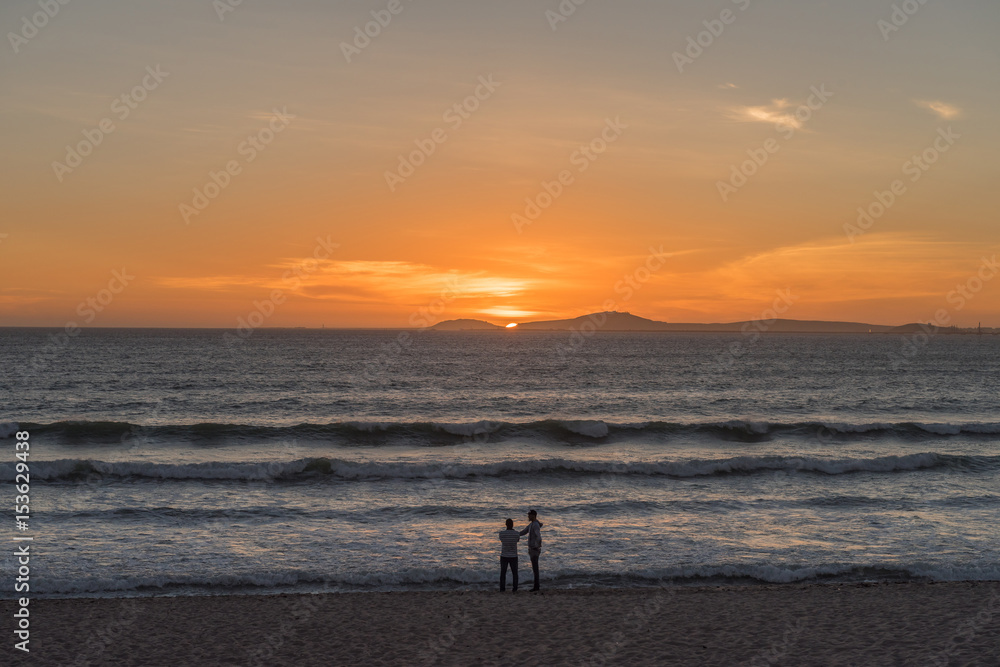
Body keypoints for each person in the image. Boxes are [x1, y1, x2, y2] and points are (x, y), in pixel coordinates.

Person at [519, 509, 543, 591]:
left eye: (529, 515)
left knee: (535, 568)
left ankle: (536, 586)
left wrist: (538, 546)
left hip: (534, 549)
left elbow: (538, 536)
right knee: (534, 567)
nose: (528, 516)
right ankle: (536, 586)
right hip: (533, 548)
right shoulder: (532, 524)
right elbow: (524, 531)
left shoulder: (535, 525)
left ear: (533, 515)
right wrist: (515, 534)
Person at [498, 518, 520, 592]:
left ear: (506, 525)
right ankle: (515, 588)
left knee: (503, 573)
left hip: (504, 555)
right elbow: (517, 540)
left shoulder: (501, 533)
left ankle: (502, 588)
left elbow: (501, 540)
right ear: (513, 525)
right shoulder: (517, 534)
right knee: (515, 573)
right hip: (513, 556)